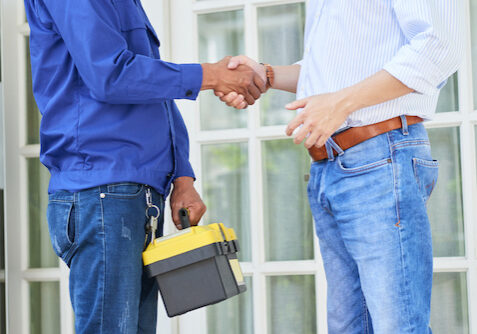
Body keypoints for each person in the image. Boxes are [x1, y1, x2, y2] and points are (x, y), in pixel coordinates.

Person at [218, 1, 463, 333]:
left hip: (380, 156)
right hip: (332, 166)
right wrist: (268, 74)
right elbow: (335, 74)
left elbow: (439, 47)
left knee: (398, 326)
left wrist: (342, 103)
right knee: (349, 327)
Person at [24, 0, 265, 333]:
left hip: (132, 194)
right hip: (101, 192)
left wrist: (182, 176)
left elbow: (152, 91)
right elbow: (110, 74)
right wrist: (212, 75)